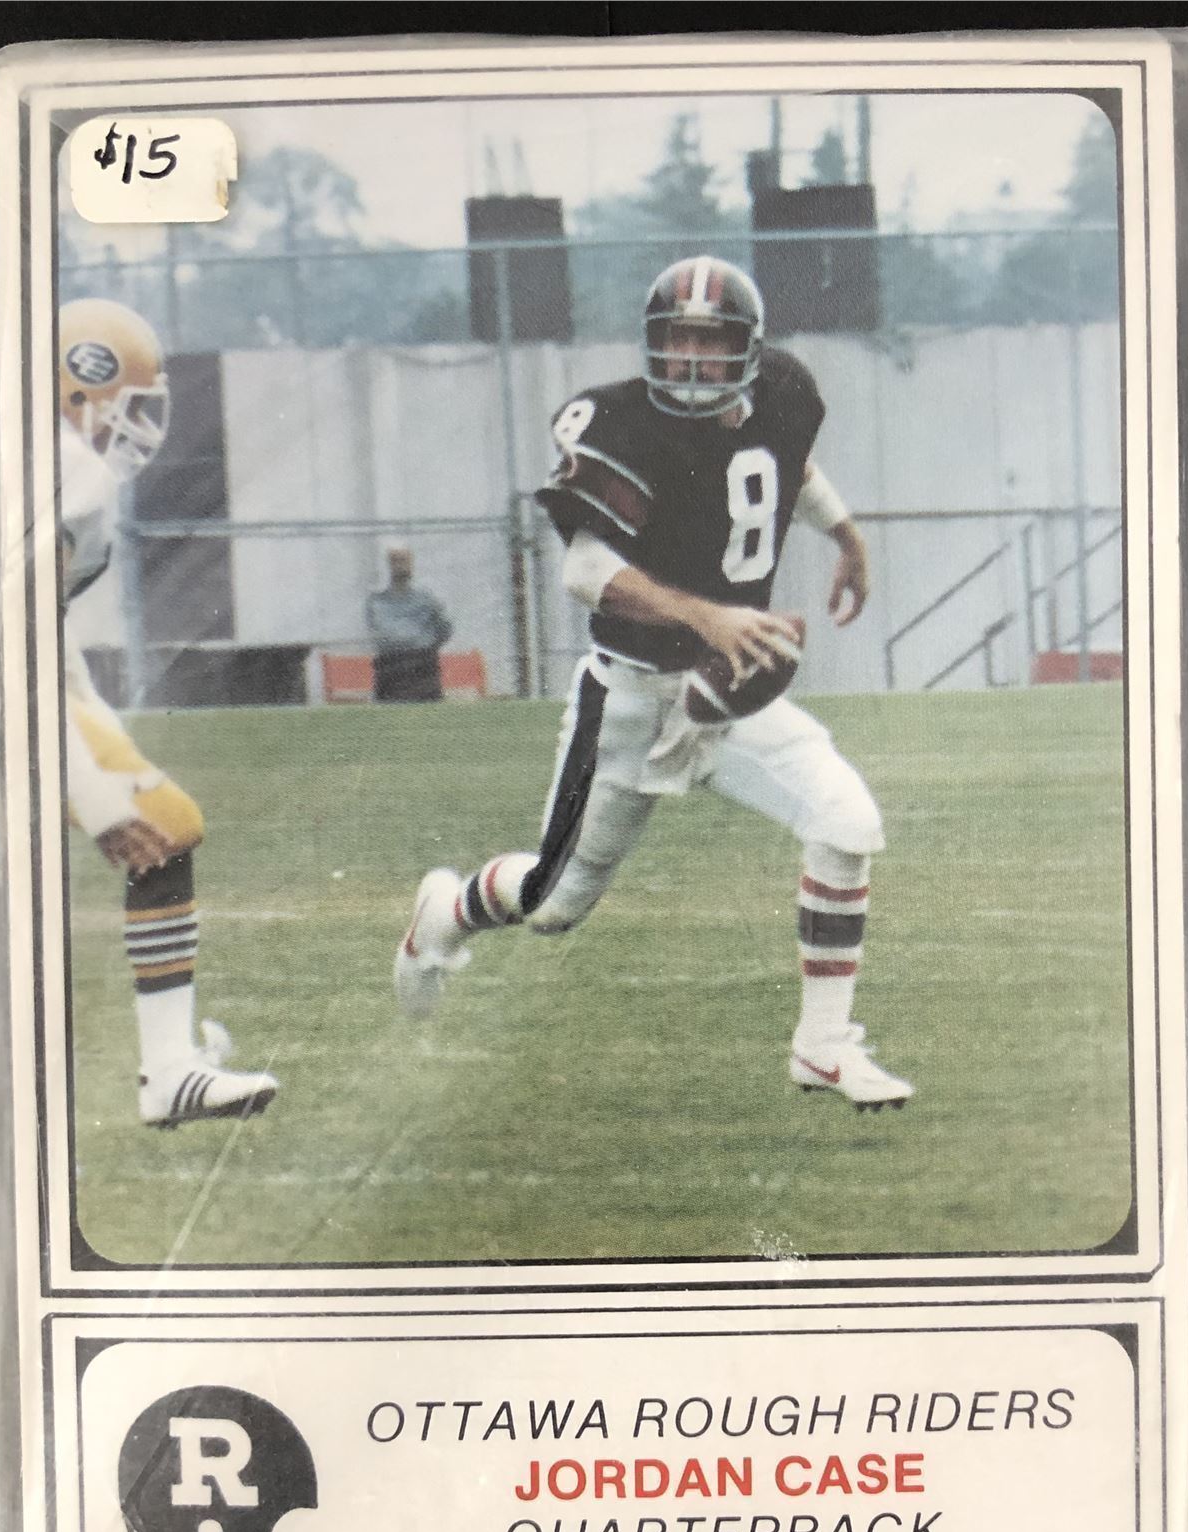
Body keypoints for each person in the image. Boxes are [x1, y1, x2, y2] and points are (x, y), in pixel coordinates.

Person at [393, 255, 913, 1111]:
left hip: (728, 689)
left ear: (749, 350)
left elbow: (788, 465)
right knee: (553, 905)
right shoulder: (621, 423)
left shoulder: (783, 393)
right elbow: (586, 571)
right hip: (630, 698)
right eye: (677, 341)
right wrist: (708, 616)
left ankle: (823, 1049)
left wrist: (846, 534)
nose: (692, 361)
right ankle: (446, 911)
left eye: (711, 342)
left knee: (847, 821)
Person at [56, 297, 279, 1127]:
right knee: (163, 825)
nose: (138, 428)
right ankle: (170, 1072)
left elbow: (30, 625)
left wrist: (93, 722)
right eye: (129, 404)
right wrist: (94, 792)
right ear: (79, 385)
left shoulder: (31, 456)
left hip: (18, 680)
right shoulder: (66, 470)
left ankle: (172, 1067)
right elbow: (4, 636)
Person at [366, 545, 454, 701]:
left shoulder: (427, 598)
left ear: (411, 563)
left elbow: (445, 628)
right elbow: (376, 629)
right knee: (389, 711)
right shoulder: (376, 600)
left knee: (429, 712)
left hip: (422, 665)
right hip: (391, 665)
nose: (400, 565)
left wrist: (426, 645)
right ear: (389, 565)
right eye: (395, 561)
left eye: (404, 560)